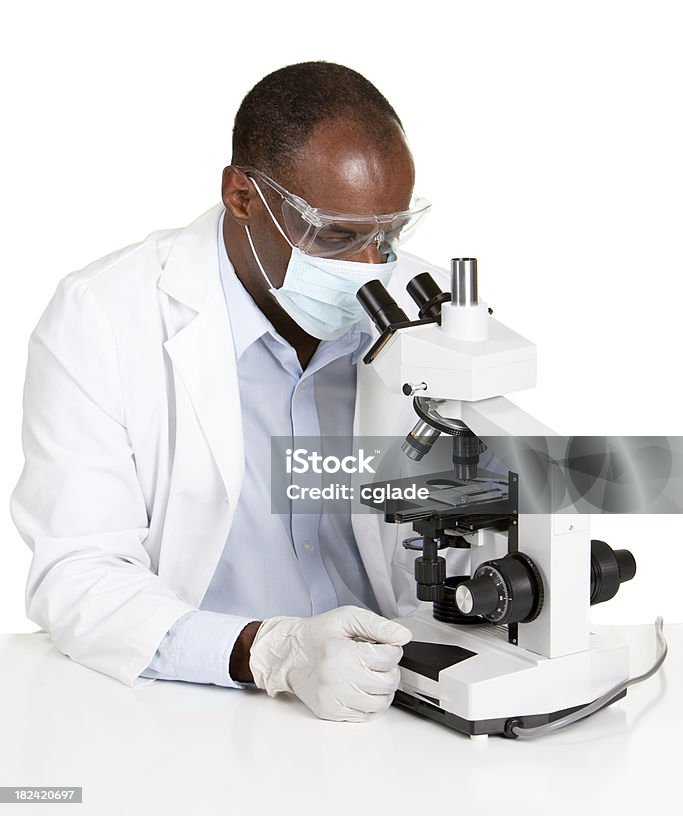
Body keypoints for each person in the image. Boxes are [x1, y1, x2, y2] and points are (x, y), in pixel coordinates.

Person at [10, 61, 440, 723]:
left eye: (386, 235)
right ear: (241, 195)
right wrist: (271, 652)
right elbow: (79, 573)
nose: (366, 271)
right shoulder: (102, 317)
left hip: (391, 697)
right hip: (195, 700)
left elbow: (485, 494)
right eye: (333, 235)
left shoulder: (423, 305)